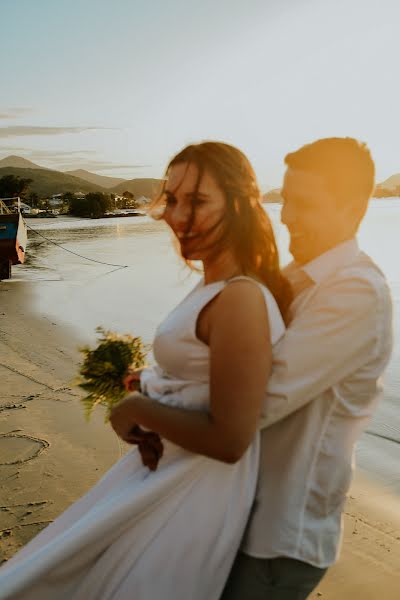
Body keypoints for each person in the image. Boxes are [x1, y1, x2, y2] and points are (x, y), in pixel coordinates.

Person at [0, 142, 289, 600]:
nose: (177, 216)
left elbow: (232, 439)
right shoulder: (213, 286)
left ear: (239, 204)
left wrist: (134, 407)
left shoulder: (240, 298)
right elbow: (200, 383)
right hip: (164, 476)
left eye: (197, 201)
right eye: (172, 199)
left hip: (193, 498)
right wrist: (149, 383)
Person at [220, 137, 393, 600]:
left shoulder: (356, 293)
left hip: (279, 536)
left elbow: (258, 400)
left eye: (305, 204)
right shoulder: (295, 279)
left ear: (353, 207)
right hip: (239, 515)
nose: (287, 215)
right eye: (287, 199)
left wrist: (156, 402)